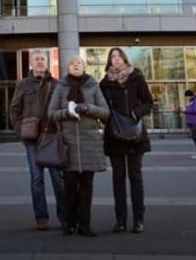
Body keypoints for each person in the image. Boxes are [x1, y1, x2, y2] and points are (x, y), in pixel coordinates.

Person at [48, 55, 110, 237]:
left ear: (84, 67)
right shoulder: (60, 87)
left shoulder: (93, 86)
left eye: (79, 63)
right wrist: (66, 113)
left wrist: (87, 108)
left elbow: (106, 112)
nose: (76, 65)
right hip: (68, 144)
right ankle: (69, 223)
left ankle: (85, 225)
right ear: (68, 68)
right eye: (72, 64)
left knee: (86, 188)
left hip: (90, 142)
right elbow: (51, 113)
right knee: (69, 187)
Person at [8, 48, 68, 231]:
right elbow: (14, 110)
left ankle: (65, 216)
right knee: (36, 179)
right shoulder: (23, 85)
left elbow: (63, 108)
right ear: (31, 64)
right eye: (37, 59)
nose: (40, 62)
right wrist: (21, 130)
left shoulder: (57, 84)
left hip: (51, 137)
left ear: (47, 63)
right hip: (32, 139)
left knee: (58, 178)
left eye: (43, 59)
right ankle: (41, 217)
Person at [99, 47, 152, 233]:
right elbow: (101, 108)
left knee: (136, 178)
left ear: (124, 59)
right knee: (118, 179)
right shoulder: (104, 83)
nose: (116, 59)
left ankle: (139, 219)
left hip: (135, 134)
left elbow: (148, 103)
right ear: (109, 61)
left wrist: (135, 113)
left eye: (119, 56)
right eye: (113, 57)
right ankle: (120, 219)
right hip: (115, 135)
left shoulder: (136, 77)